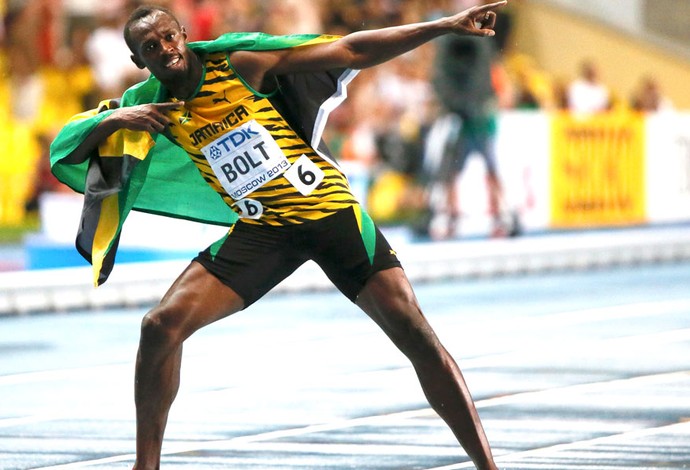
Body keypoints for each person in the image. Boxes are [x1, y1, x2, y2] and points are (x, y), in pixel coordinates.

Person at [50, 3, 508, 469]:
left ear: (184, 35)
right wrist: (113, 121)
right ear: (138, 61)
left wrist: (444, 26)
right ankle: (145, 467)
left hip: (329, 214)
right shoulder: (150, 106)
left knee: (415, 333)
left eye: (170, 37)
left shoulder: (241, 65)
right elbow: (67, 147)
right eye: (151, 46)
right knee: (159, 327)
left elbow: (349, 49)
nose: (165, 49)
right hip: (264, 229)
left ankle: (488, 467)